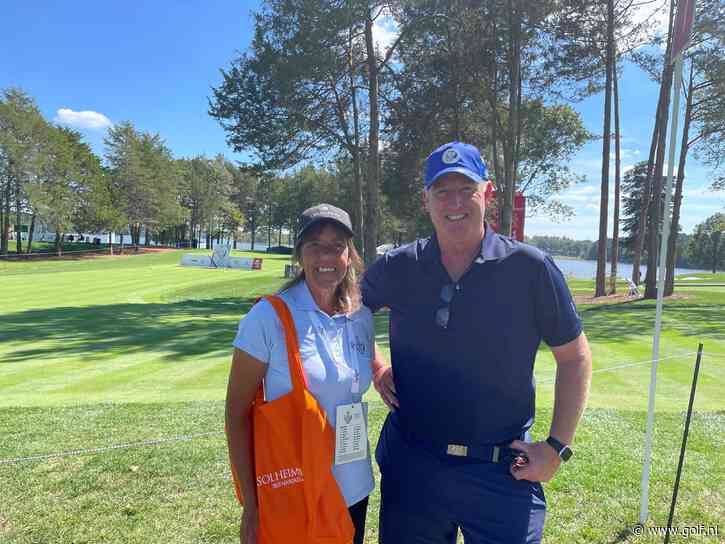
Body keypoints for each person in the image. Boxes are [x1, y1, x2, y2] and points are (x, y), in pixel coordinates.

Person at [364, 141, 593, 543]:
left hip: (502, 472)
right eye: (442, 191)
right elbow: (347, 310)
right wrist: (377, 366)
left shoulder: (530, 268)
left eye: (466, 189)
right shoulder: (399, 267)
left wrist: (556, 447)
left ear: (487, 193)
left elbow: (574, 358)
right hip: (413, 466)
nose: (455, 202)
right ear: (426, 200)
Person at [226, 203, 376, 544]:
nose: (326, 255)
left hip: (354, 488)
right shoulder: (269, 317)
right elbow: (236, 415)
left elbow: (358, 357)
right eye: (314, 245)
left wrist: (380, 369)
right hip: (297, 489)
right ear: (300, 254)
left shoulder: (360, 315)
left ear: (349, 254)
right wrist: (251, 505)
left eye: (337, 245)